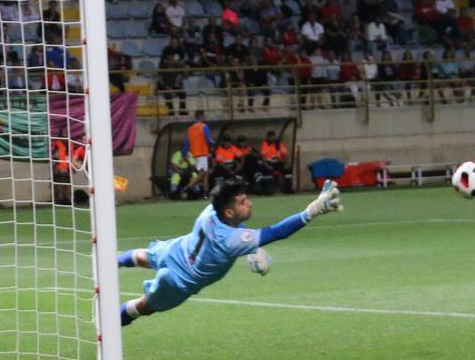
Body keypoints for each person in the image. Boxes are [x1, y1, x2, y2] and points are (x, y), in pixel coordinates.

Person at [115, 178, 342, 327]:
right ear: (230, 211)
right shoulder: (232, 240)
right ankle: (106, 326)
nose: (250, 203)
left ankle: (111, 262)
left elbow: (236, 229)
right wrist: (313, 210)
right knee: (144, 307)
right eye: (243, 202)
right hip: (179, 281)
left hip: (178, 250)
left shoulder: (211, 211)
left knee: (144, 255)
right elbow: (277, 232)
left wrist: (253, 248)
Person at [186, 112, 212, 194]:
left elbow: (188, 142)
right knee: (202, 174)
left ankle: (206, 193)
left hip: (195, 153)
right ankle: (187, 188)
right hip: (202, 152)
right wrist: (213, 144)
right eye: (203, 116)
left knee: (205, 174)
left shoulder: (190, 129)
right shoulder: (204, 126)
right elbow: (208, 139)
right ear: (201, 117)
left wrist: (185, 152)